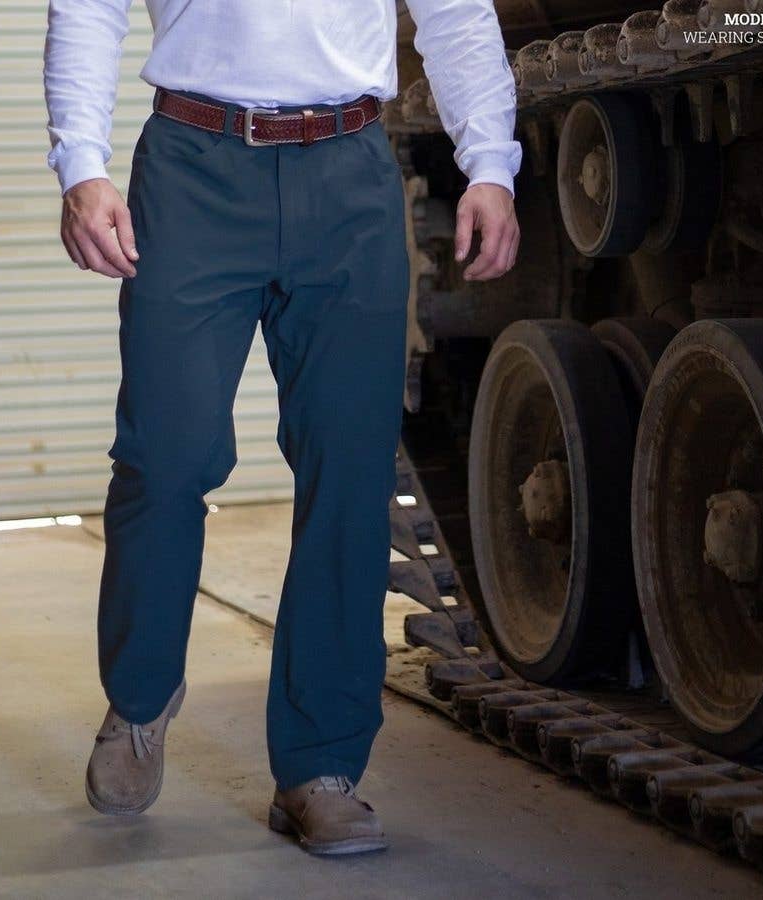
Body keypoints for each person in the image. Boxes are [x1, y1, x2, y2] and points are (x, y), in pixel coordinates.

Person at [43, 0, 521, 855]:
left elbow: (456, 13)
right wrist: (81, 164)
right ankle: (141, 698)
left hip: (348, 172)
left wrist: (489, 162)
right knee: (165, 455)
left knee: (351, 472)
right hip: (193, 166)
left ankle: (320, 764)